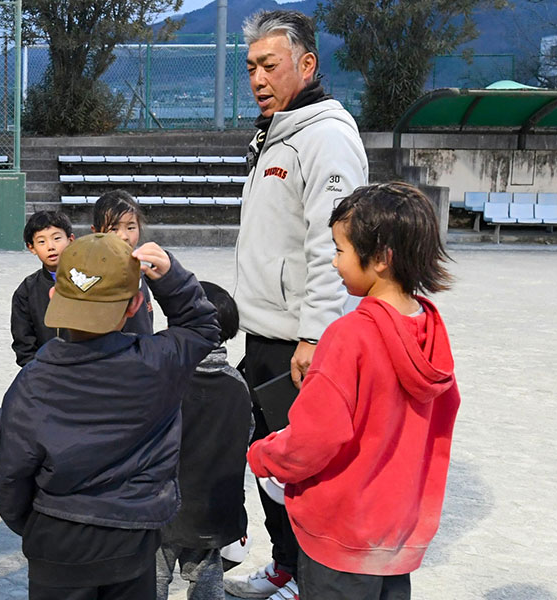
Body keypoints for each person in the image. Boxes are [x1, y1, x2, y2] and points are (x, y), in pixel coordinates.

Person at [246, 182, 459, 600]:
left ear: (380, 258)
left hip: (340, 536)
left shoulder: (348, 336)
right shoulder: (432, 329)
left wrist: (263, 456)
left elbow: (313, 438)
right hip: (396, 533)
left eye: (340, 250)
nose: (334, 261)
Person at [0, 233, 220, 600]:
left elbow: (10, 471)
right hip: (133, 537)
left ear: (53, 297)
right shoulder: (159, 363)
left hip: (56, 537)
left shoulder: (34, 380)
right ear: (135, 305)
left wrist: (31, 524)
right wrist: (171, 278)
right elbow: (202, 328)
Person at [227, 10, 368, 599]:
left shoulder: (326, 135)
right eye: (251, 66)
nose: (257, 78)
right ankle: (286, 565)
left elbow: (328, 245)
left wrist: (314, 335)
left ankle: (310, 581)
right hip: (263, 334)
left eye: (270, 65)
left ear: (306, 65)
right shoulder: (277, 131)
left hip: (298, 342)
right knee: (268, 464)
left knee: (304, 473)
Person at [156, 282, 252, 600]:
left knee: (155, 574)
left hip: (166, 505)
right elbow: (245, 434)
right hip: (215, 507)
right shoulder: (238, 385)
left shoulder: (166, 379)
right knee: (206, 573)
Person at [10, 210, 74, 366]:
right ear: (31, 247)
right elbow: (24, 342)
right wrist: (39, 371)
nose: (50, 247)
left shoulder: (90, 281)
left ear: (71, 240)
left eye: (57, 238)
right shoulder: (27, 290)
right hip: (44, 373)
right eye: (41, 241)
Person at [91, 190, 154, 334]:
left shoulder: (139, 269)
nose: (124, 236)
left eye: (131, 227)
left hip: (142, 351)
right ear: (96, 232)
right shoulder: (93, 275)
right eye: (114, 229)